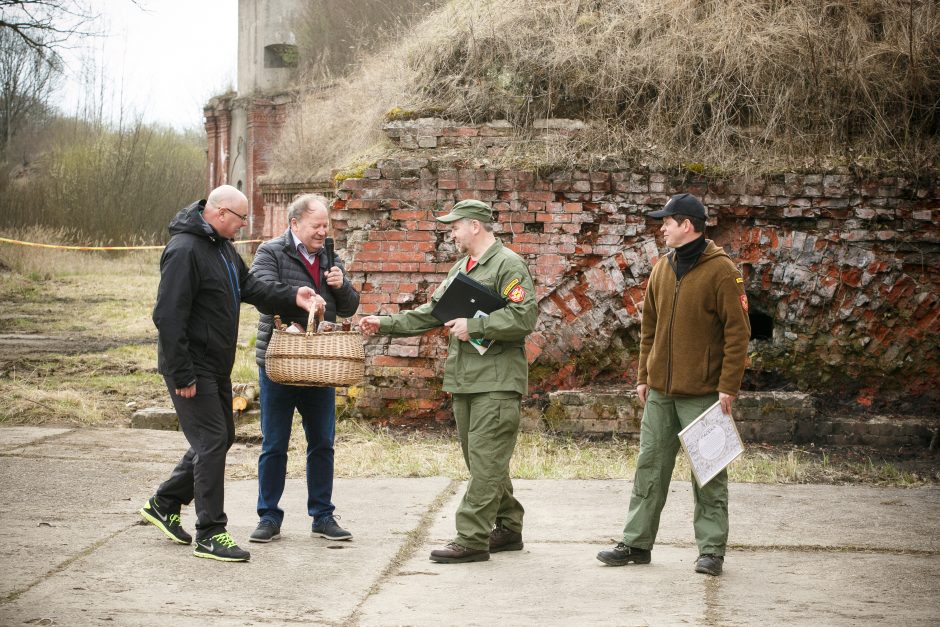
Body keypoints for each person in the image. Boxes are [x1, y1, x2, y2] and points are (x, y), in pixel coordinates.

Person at [140, 184, 324, 563]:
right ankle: (210, 533)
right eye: (241, 218)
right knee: (211, 442)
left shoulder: (221, 248)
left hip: (215, 364)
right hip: (192, 366)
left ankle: (165, 502)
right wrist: (181, 375)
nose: (244, 225)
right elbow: (168, 316)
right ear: (220, 212)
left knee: (222, 437)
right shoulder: (184, 250)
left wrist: (293, 296)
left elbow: (251, 286)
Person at [359, 199, 537, 564]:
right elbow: (432, 313)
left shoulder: (508, 265)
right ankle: (508, 526)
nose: (451, 233)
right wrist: (384, 322)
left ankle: (471, 538)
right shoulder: (463, 267)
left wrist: (475, 325)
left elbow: (524, 317)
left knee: (486, 462)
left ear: (475, 226)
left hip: (497, 382)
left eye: (455, 226)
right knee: (482, 462)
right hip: (465, 381)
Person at [596, 192, 751, 576]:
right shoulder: (662, 268)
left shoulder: (723, 271)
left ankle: (711, 550)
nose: (661, 227)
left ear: (687, 224)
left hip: (703, 393)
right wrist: (644, 376)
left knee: (709, 472)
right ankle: (636, 543)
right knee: (650, 466)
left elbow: (738, 333)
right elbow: (649, 326)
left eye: (667, 221)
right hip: (661, 393)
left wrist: (728, 386)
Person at [248, 194, 360, 544]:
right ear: (294, 223)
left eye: (326, 225)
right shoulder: (271, 252)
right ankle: (268, 517)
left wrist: (343, 287)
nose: (322, 232)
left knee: (323, 443)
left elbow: (350, 307)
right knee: (275, 444)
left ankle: (322, 516)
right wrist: (297, 293)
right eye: (316, 225)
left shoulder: (329, 255)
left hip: (320, 367)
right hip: (281, 364)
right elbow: (261, 291)